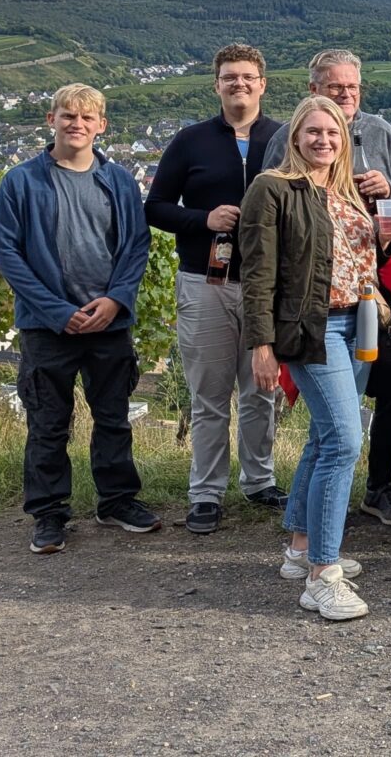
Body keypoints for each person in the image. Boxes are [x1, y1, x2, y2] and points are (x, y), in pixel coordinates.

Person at [240, 96, 391, 622]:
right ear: (294, 137)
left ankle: (299, 547)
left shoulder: (345, 192)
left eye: (332, 133)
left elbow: (357, 261)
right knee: (344, 440)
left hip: (357, 322)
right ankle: (322, 575)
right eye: (313, 132)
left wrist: (381, 242)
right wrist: (261, 346)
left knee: (323, 437)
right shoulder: (272, 189)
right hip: (311, 328)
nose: (324, 141)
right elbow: (258, 275)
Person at [0, 84, 160, 554]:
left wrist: (116, 300)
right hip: (47, 325)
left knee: (113, 417)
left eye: (88, 118)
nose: (77, 125)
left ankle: (117, 500)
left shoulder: (120, 181)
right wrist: (57, 312)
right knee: (48, 421)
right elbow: (8, 253)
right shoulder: (21, 182)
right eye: (68, 116)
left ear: (101, 125)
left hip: (109, 320)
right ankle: (48, 513)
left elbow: (136, 247)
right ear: (51, 120)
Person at [263, 50, 391, 530]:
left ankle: (374, 491)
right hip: (316, 306)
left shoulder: (380, 133)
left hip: (376, 294)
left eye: (353, 88)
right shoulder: (283, 147)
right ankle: (319, 552)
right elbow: (270, 220)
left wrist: (388, 186)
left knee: (387, 392)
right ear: (314, 91)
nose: (346, 96)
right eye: (335, 88)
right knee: (338, 434)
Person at [145, 43, 284, 535]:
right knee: (209, 396)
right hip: (205, 281)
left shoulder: (283, 139)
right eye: (230, 77)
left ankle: (259, 480)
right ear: (217, 85)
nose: (239, 84)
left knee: (261, 391)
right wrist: (201, 219)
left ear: (263, 84)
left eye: (248, 77)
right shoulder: (191, 141)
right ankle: (205, 493)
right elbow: (156, 207)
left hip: (268, 284)